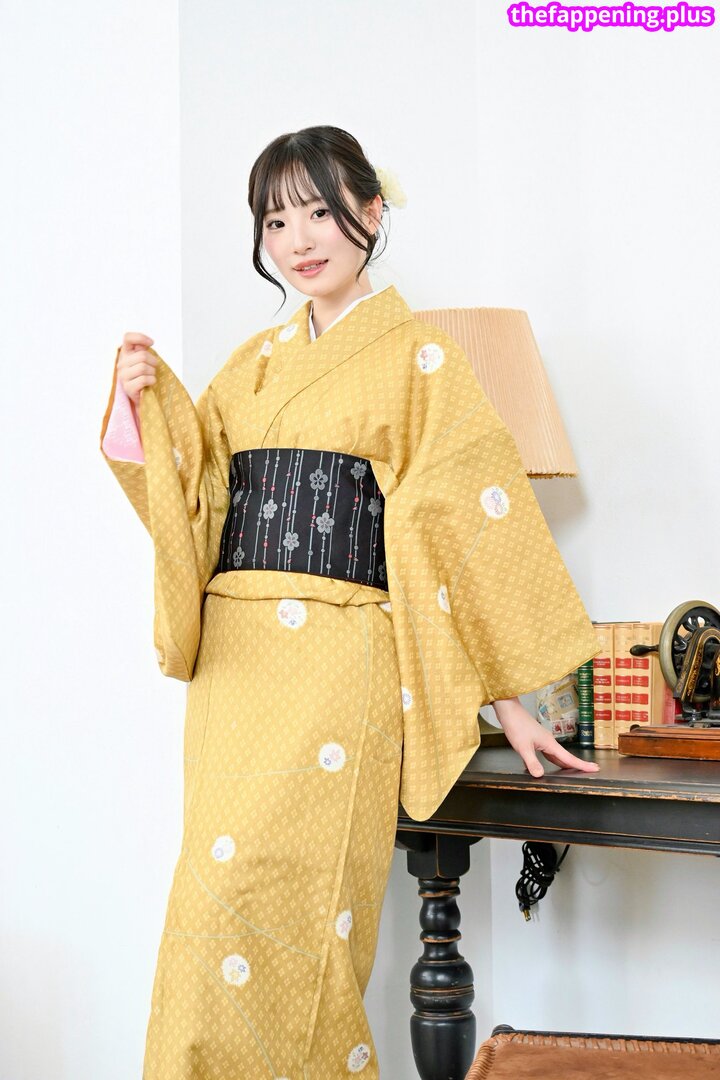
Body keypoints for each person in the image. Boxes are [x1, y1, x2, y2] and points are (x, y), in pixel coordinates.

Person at [100, 125, 600, 1079]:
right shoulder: (252, 363)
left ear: (371, 210)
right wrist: (144, 402)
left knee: (306, 917)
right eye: (275, 220)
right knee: (205, 907)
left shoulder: (424, 362)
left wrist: (510, 702)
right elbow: (197, 496)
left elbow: (459, 528)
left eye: (319, 212)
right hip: (237, 670)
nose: (297, 240)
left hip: (339, 665)